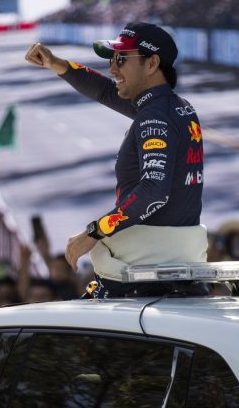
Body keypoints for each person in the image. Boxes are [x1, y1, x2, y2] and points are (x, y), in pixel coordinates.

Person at [25, 22, 207, 296]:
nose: (113, 68)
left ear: (152, 63)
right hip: (169, 266)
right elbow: (105, 91)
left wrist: (94, 232)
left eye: (121, 59)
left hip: (144, 275)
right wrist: (55, 63)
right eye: (112, 59)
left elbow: (154, 191)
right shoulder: (175, 107)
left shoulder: (154, 116)